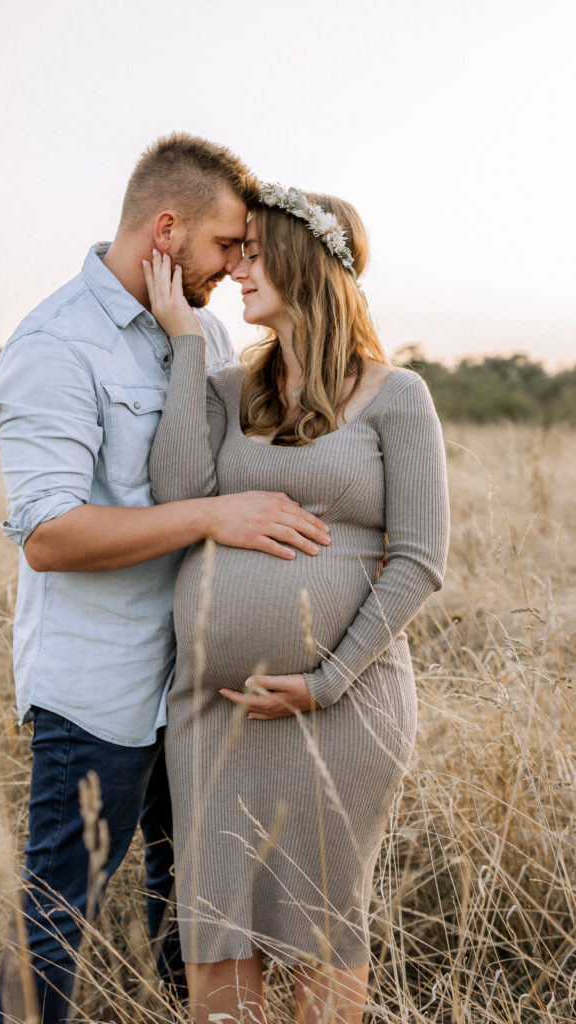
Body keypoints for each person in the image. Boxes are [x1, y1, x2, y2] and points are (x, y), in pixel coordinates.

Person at [0, 139, 331, 1024]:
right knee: (58, 909)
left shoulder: (201, 332)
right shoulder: (54, 345)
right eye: (225, 244)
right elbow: (49, 536)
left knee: (196, 904)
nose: (235, 266)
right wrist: (213, 517)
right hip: (97, 687)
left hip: (197, 680)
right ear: (165, 230)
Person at [145, 184, 450, 1023]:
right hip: (215, 713)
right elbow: (178, 494)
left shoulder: (396, 395)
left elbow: (419, 560)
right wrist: (183, 343)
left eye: (253, 253)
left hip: (342, 710)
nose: (235, 270)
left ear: (306, 263)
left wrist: (326, 681)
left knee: (323, 933)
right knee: (214, 930)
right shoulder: (225, 388)